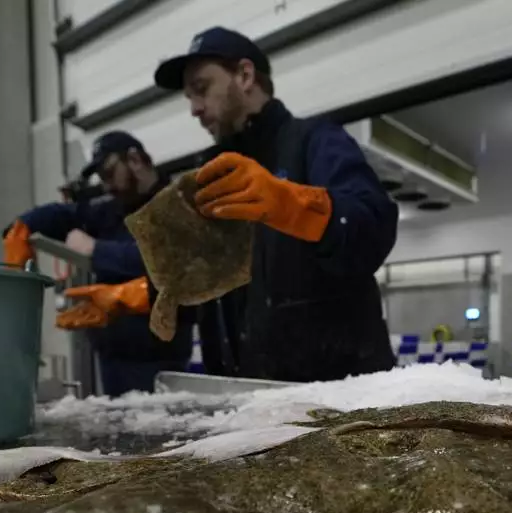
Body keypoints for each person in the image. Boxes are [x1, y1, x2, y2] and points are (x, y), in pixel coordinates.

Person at [152, 27, 398, 383]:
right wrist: (138, 295)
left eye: (201, 89)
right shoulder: (211, 174)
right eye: (189, 97)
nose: (194, 109)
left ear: (245, 75)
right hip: (247, 394)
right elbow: (199, 287)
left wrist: (292, 205)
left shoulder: (314, 140)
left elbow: (372, 226)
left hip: (338, 395)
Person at [2, 131, 193, 395]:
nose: (106, 185)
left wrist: (96, 250)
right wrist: (24, 225)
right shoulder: (112, 209)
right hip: (112, 358)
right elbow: (63, 215)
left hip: (158, 361)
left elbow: (167, 262)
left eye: (109, 173)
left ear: (135, 159)